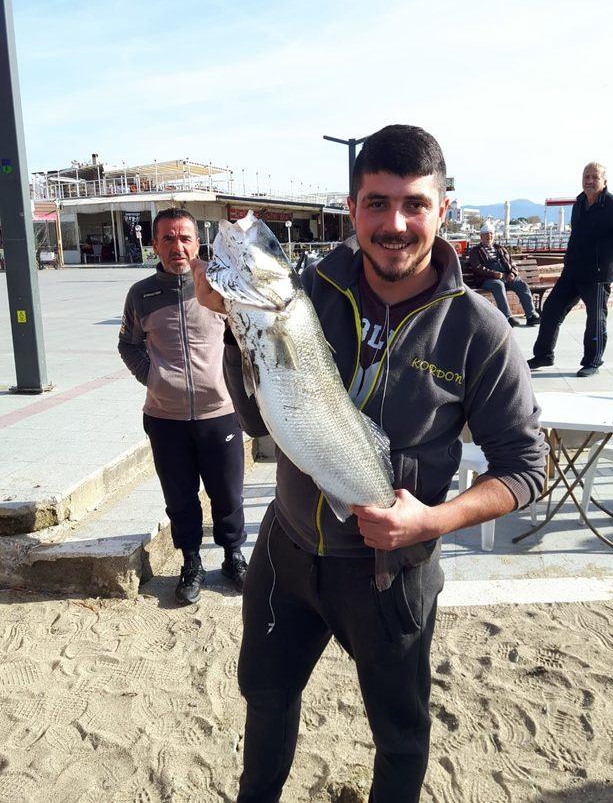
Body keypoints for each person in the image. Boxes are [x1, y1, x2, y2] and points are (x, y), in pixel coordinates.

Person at [192, 125, 547, 802]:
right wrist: (234, 321)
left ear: (443, 209)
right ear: (353, 209)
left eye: (414, 203)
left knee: (401, 734)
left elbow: (527, 467)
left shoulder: (478, 329)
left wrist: (433, 519)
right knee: (265, 696)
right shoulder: (309, 292)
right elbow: (253, 416)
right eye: (377, 203)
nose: (395, 223)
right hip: (288, 549)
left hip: (390, 576)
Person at [118, 208, 248, 604]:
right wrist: (153, 377)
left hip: (221, 411)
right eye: (168, 239)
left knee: (228, 493)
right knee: (180, 496)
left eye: (185, 238)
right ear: (155, 244)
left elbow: (246, 334)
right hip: (165, 417)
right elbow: (128, 344)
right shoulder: (142, 294)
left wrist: (239, 384)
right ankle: (191, 562)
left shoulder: (219, 286)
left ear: (198, 241)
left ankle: (233, 556)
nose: (178, 246)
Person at [528, 162, 613, 377]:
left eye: (594, 177)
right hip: (572, 271)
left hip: (597, 275)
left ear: (604, 181)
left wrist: (607, 262)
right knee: (550, 310)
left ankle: (593, 361)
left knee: (595, 318)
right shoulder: (579, 203)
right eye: (586, 176)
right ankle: (543, 355)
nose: (589, 181)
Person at [467, 222, 540, 327]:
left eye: (491, 234)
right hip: (486, 279)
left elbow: (512, 263)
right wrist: (493, 274)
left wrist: (512, 273)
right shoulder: (476, 251)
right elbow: (477, 268)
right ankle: (507, 317)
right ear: (481, 236)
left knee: (521, 284)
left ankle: (531, 315)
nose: (489, 236)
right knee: (498, 285)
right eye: (486, 234)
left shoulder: (500, 248)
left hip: (505, 277)